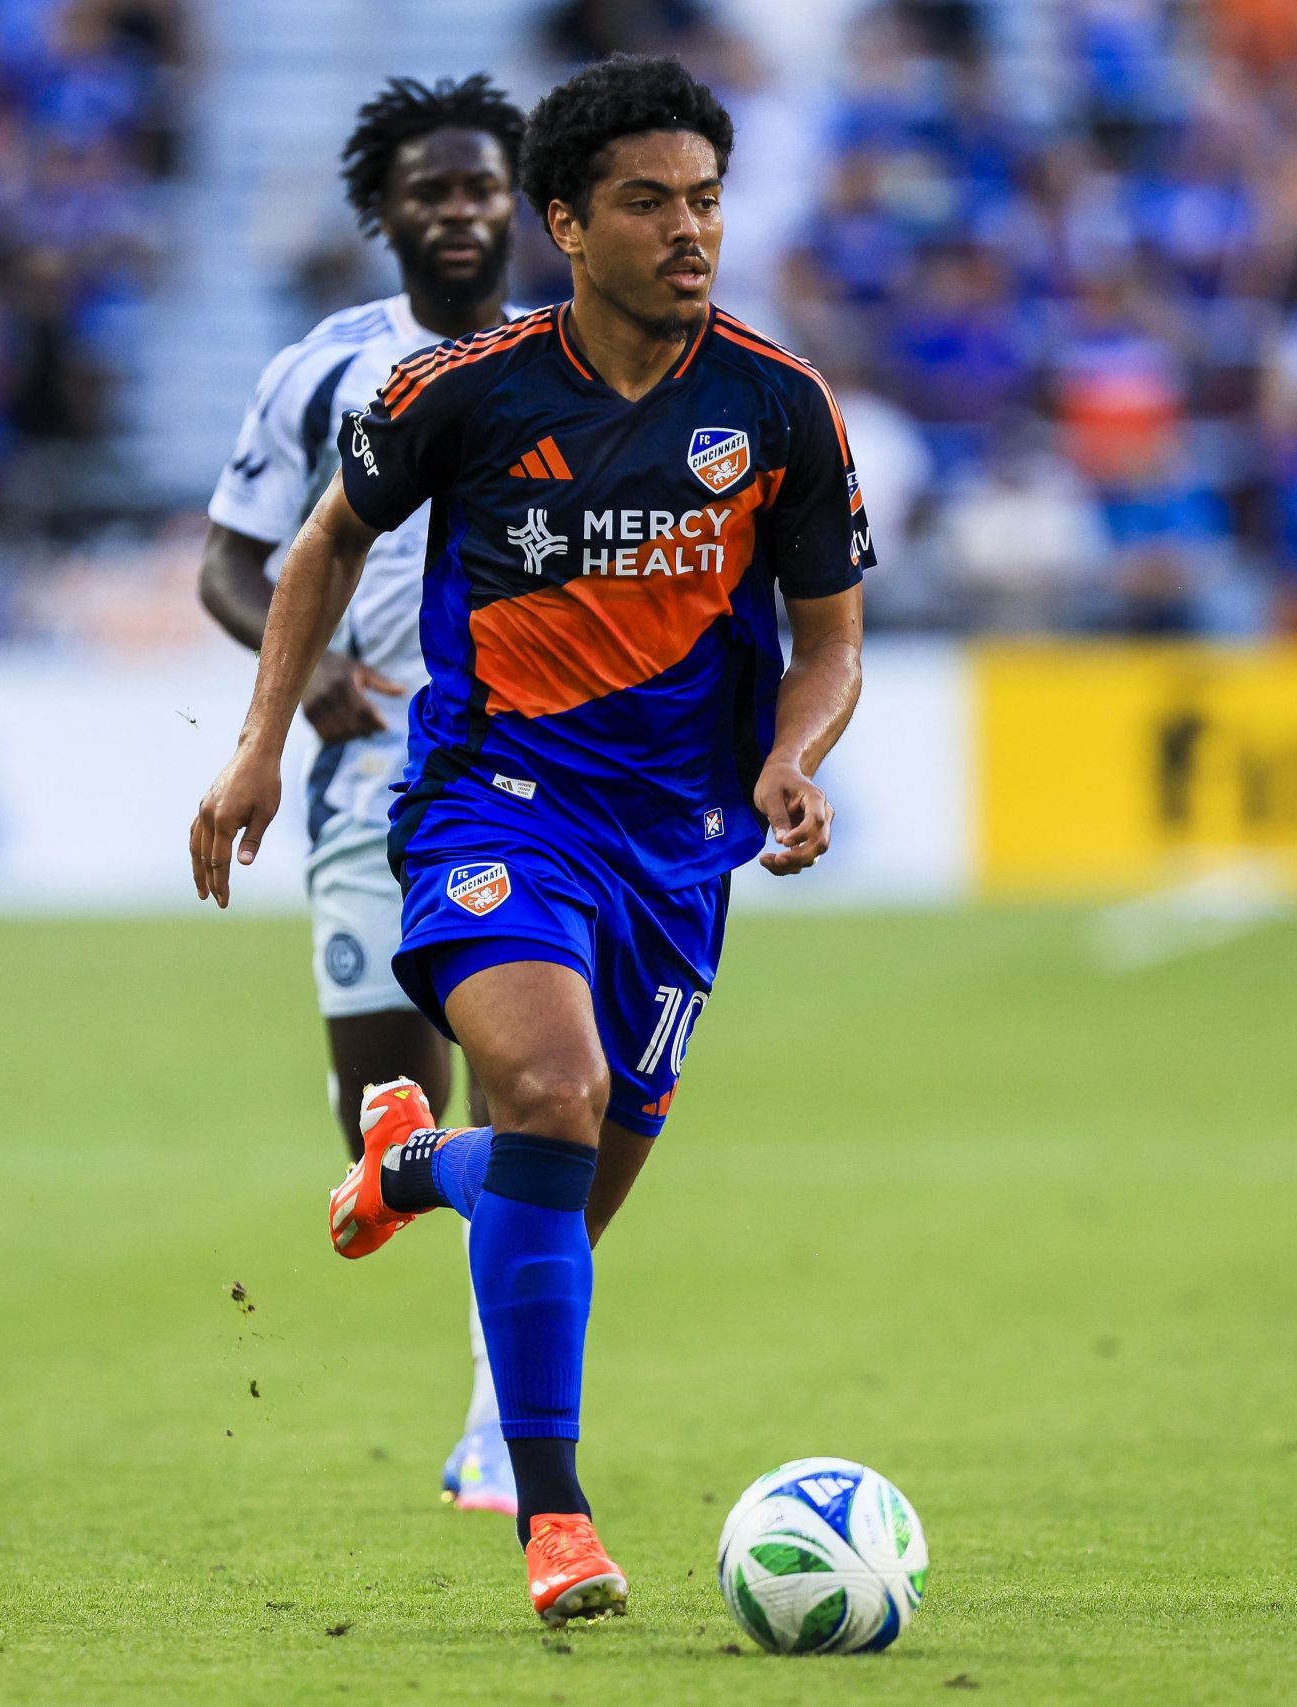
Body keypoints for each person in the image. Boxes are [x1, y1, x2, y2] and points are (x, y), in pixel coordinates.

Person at [189, 54, 872, 1625]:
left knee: (572, 1185)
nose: (689, 230)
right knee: (555, 1100)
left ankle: (418, 1165)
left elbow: (829, 637)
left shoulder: (778, 405)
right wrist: (255, 757)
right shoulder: (458, 393)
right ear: (566, 222)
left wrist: (790, 760)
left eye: (706, 199)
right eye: (649, 203)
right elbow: (313, 552)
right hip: (495, 804)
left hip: (679, 846)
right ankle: (551, 1516)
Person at [194, 74, 529, 1517]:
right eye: (430, 191)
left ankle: (503, 1423)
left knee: (536, 1083)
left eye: (481, 188)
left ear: (527, 202)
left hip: (529, 777)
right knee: (384, 1118)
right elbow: (229, 559)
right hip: (365, 776)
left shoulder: (583, 358)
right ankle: (459, 1186)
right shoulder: (325, 370)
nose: (458, 213)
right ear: (383, 210)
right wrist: (305, 671)